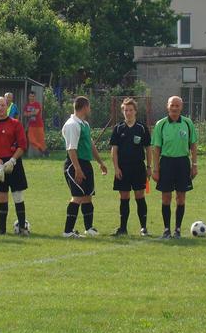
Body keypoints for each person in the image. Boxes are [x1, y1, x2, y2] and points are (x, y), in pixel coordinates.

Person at [151, 96, 198, 239]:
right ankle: (166, 230)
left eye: (177, 105)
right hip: (166, 162)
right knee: (166, 197)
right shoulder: (161, 124)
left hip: (183, 163)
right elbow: (156, 148)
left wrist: (194, 165)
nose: (175, 108)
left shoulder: (188, 123)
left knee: (181, 197)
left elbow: (193, 145)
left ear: (181, 107)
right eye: (172, 105)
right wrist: (155, 169)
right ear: (168, 106)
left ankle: (177, 229)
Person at [61, 96, 108, 237]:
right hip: (75, 164)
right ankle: (68, 231)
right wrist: (77, 169)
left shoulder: (84, 124)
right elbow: (71, 149)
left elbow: (91, 144)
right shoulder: (72, 124)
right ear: (85, 107)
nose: (90, 109)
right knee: (77, 197)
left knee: (88, 196)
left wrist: (100, 162)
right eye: (89, 106)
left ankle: (89, 228)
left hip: (86, 163)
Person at [0, 96, 29, 235]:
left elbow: (22, 145)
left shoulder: (15, 124)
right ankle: (2, 230)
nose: (1, 108)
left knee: (18, 196)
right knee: (2, 197)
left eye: (3, 105)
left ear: (7, 107)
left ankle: (22, 228)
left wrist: (13, 160)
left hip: (14, 163)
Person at [108, 98, 151, 237]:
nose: (128, 112)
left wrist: (149, 167)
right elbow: (114, 150)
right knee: (124, 196)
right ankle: (123, 228)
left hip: (138, 168)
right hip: (123, 168)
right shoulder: (118, 128)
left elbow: (148, 149)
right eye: (126, 110)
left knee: (140, 196)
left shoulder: (142, 128)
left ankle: (143, 228)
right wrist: (116, 168)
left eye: (130, 110)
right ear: (123, 111)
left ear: (135, 111)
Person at [24, 91, 48, 156]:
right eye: (30, 96)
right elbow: (25, 114)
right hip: (31, 125)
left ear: (35, 97)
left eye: (33, 96)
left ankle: (45, 153)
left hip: (39, 125)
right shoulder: (27, 105)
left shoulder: (37, 104)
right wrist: (32, 113)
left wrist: (29, 113)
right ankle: (43, 149)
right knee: (31, 139)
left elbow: (36, 113)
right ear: (28, 97)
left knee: (41, 140)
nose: (32, 98)